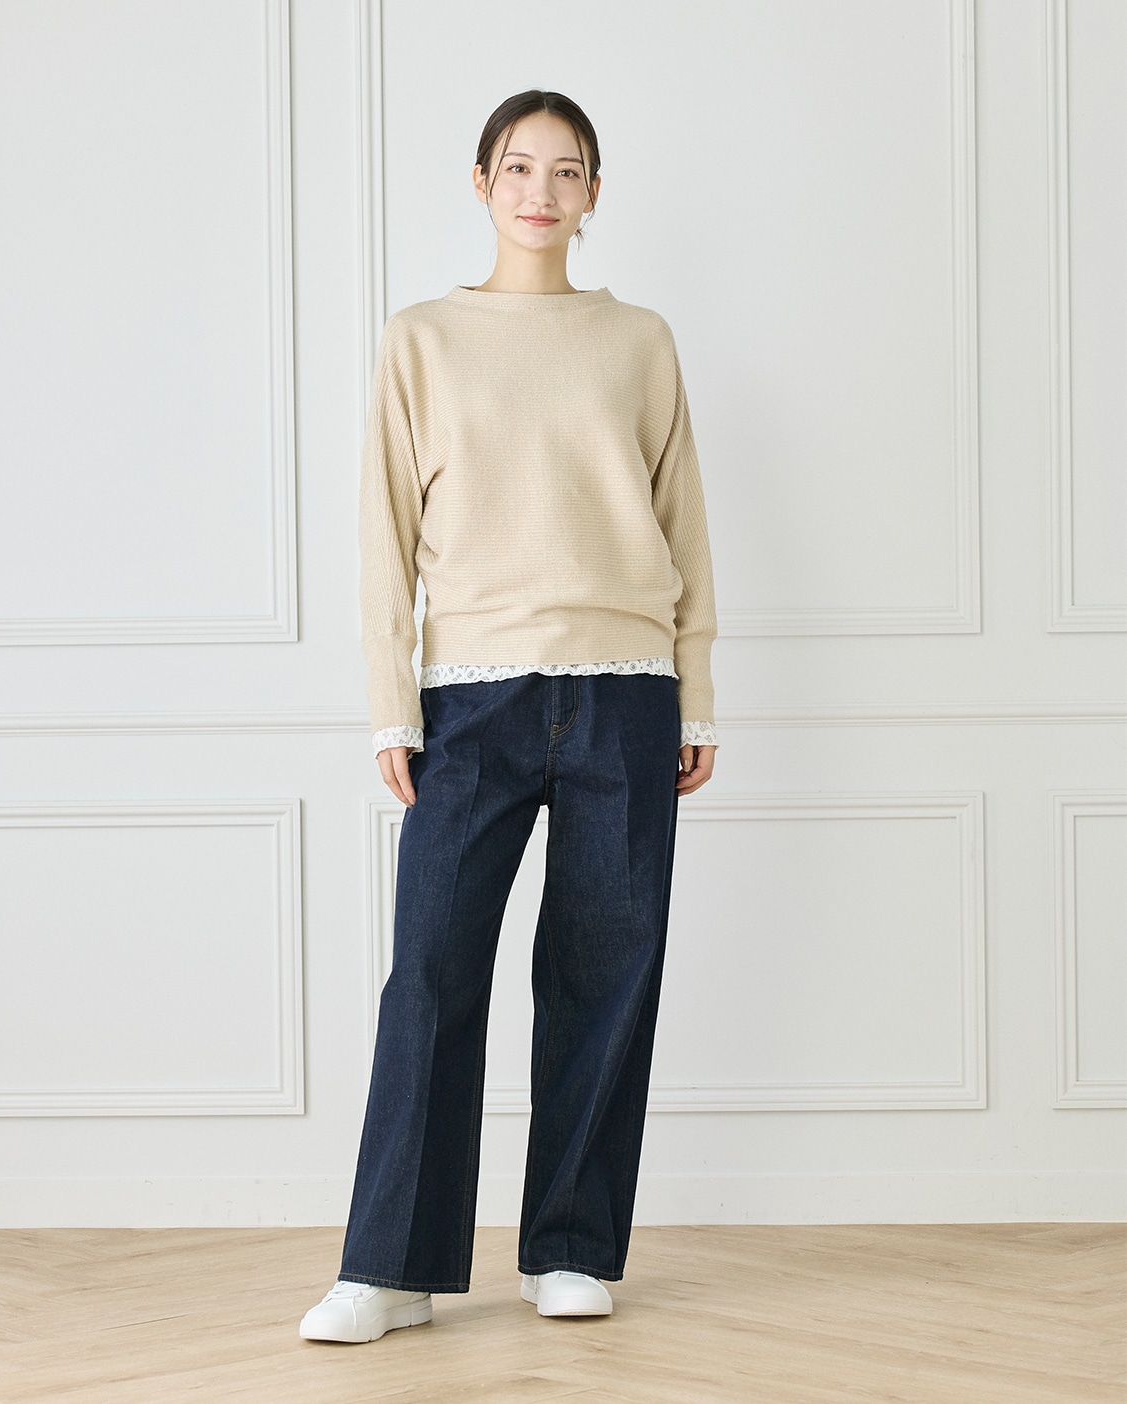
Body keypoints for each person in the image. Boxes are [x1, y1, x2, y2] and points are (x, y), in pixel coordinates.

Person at [300, 88, 719, 1346]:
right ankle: (390, 1268)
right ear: (481, 182)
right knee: (430, 973)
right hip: (470, 699)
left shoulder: (638, 340)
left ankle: (573, 1249)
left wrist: (696, 690)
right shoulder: (421, 339)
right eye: (520, 167)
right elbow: (382, 535)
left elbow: (686, 524)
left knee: (605, 971)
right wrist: (390, 706)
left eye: (568, 170)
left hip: (626, 691)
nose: (543, 191)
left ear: (593, 195)